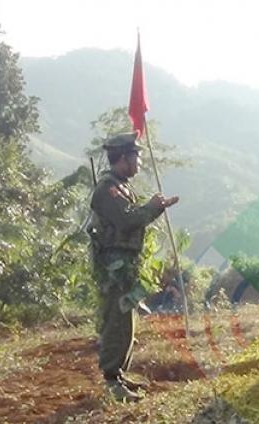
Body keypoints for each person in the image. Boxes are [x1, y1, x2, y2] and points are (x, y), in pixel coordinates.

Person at [88, 132, 179, 402]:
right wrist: (152, 207)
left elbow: (131, 218)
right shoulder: (108, 189)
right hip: (113, 269)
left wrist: (154, 208)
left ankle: (118, 375)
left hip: (124, 266)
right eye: (136, 156)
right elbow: (127, 221)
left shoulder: (120, 186)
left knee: (127, 322)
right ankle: (111, 381)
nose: (139, 161)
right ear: (123, 157)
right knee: (116, 322)